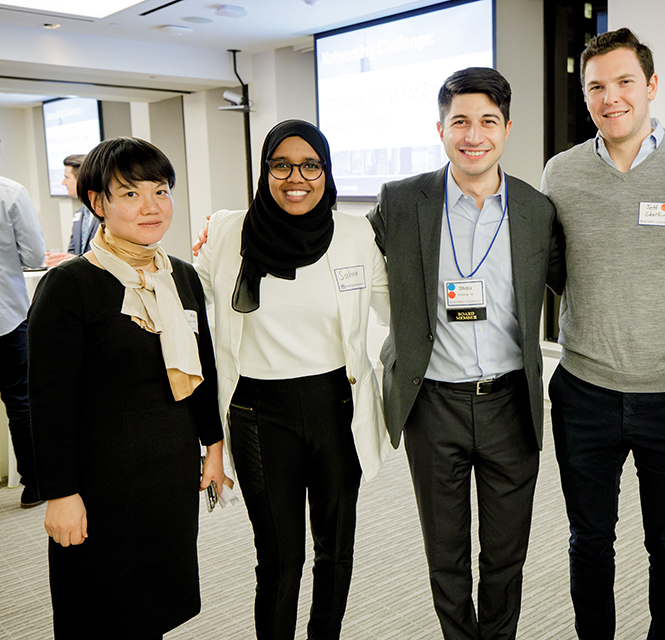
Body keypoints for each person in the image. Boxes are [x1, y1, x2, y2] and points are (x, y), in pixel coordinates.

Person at [540, 28, 665, 640]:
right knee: (589, 542)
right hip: (584, 392)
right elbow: (540, 268)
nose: (611, 97)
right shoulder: (561, 173)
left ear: (651, 86)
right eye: (596, 86)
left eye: (625, 81)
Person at [367, 67, 564, 640]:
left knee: (506, 555)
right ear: (440, 128)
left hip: (508, 404)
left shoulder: (535, 209)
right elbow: (341, 252)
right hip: (433, 404)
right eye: (460, 122)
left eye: (487, 121)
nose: (472, 135)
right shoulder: (403, 201)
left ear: (506, 129)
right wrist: (228, 233)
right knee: (445, 553)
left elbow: (574, 281)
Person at [194, 119, 390, 640]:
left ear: (326, 171)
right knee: (279, 558)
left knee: (335, 547)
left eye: (310, 165)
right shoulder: (226, 232)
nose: (295, 177)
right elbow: (190, 307)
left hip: (336, 405)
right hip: (258, 412)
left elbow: (398, 310)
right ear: (265, 170)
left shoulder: (354, 234)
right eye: (281, 165)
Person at [28, 136, 226, 638]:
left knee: (154, 610)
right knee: (99, 612)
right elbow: (49, 402)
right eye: (131, 194)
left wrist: (214, 446)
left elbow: (202, 369)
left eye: (161, 191)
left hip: (167, 471)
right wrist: (61, 493)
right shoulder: (70, 286)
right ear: (97, 202)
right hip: (100, 481)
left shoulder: (180, 276)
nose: (151, 207)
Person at [0, 173, 44, 508]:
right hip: (6, 317)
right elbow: (34, 256)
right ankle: (34, 485)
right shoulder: (10, 193)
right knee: (20, 401)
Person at [45, 154, 98, 267]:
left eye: (66, 177)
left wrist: (77, 259)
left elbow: (110, 255)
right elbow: (73, 252)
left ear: (81, 180)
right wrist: (61, 258)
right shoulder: (79, 214)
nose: (63, 183)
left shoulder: (106, 214)